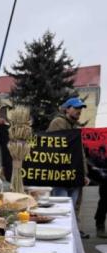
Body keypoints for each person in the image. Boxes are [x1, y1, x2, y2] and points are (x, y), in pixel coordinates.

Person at [47, 96, 90, 236]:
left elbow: (79, 152)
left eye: (81, 108)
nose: (79, 111)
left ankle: (72, 232)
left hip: (74, 175)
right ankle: (63, 234)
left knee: (71, 207)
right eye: (76, 108)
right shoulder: (58, 123)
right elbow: (57, 150)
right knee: (62, 209)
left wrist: (83, 173)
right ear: (66, 109)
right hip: (62, 175)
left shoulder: (74, 126)